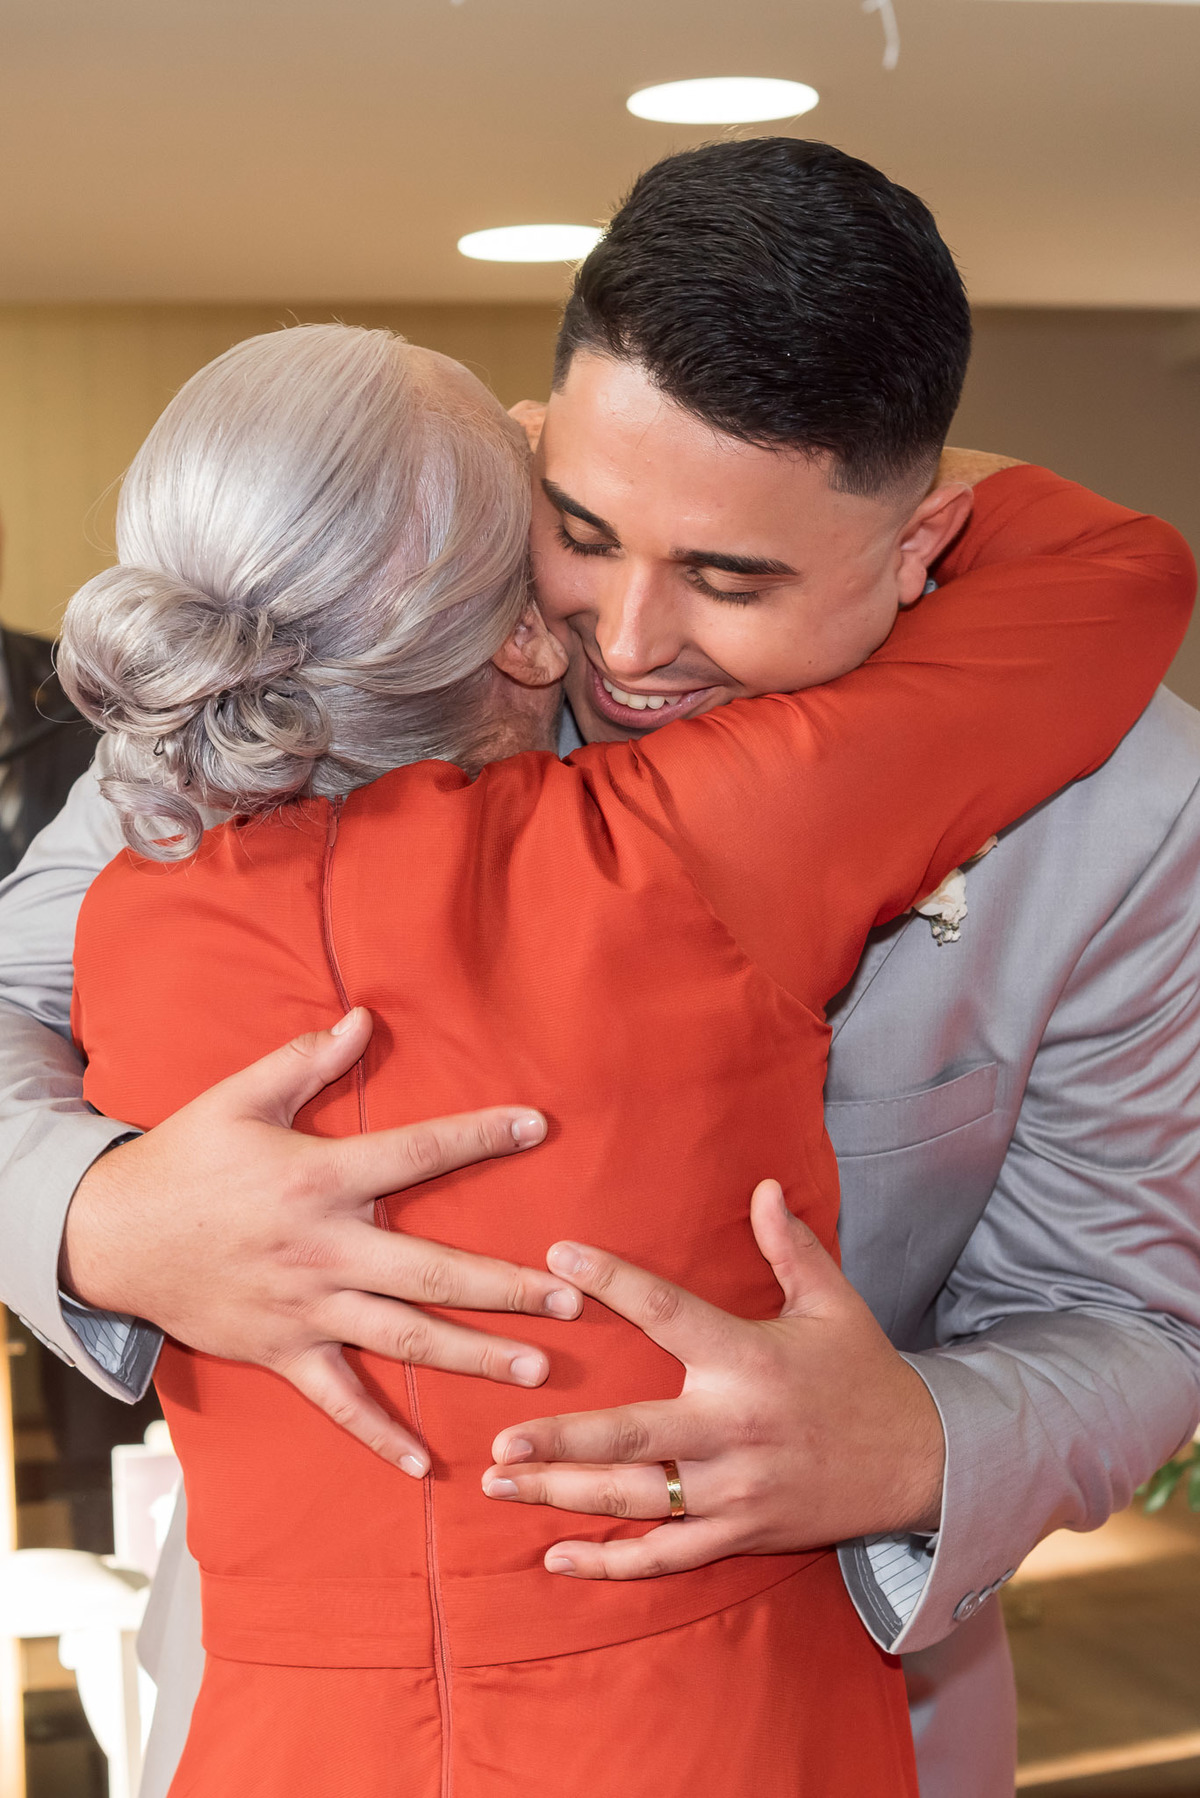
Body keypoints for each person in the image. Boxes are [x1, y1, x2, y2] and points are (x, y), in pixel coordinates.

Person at [1, 140, 1198, 1796]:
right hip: (300, 1712)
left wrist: (908, 1441)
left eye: (731, 576)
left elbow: (1134, 1314)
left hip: (810, 1716)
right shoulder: (351, 607)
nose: (617, 646)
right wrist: (99, 1208)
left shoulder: (1125, 805)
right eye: (580, 529)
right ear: (533, 441)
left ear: (923, 549)